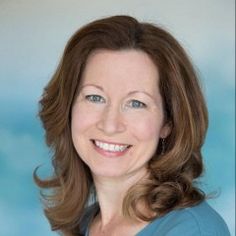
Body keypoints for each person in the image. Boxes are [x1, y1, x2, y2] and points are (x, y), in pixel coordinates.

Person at [34, 15, 230, 236]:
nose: (110, 125)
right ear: (67, 108)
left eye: (136, 103)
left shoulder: (192, 230)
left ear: (168, 122)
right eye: (95, 97)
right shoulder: (83, 225)